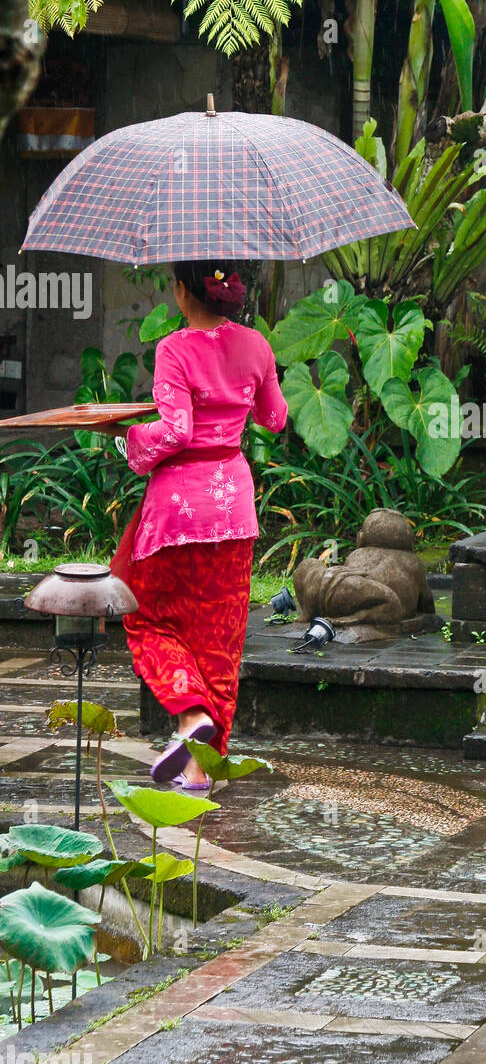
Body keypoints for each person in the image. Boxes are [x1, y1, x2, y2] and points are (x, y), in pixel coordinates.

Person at [104, 263, 287, 789]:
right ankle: (200, 770)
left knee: (144, 614)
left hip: (177, 513)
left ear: (184, 290)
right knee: (220, 641)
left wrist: (129, 438)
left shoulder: (174, 349)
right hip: (233, 511)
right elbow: (274, 420)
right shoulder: (256, 346)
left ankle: (190, 716)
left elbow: (176, 431)